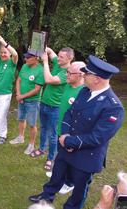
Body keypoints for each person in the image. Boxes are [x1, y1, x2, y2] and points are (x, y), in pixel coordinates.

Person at [29, 55, 125, 209]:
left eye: (86, 74)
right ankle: (47, 196)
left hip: (86, 156)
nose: (83, 76)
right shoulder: (85, 92)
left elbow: (97, 138)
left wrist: (68, 141)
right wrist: (65, 136)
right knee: (57, 174)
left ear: (97, 79)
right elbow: (68, 113)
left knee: (79, 188)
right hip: (67, 145)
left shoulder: (113, 107)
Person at [30, 47, 73, 171]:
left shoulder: (67, 73)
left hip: (55, 107)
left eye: (61, 57)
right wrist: (38, 48)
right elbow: (48, 50)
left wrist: (45, 62)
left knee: (53, 134)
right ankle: (42, 149)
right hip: (44, 103)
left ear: (70, 59)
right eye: (58, 56)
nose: (58, 58)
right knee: (43, 129)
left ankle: (51, 158)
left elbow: (48, 80)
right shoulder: (58, 63)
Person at [46, 61, 86, 194]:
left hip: (71, 133)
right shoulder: (69, 85)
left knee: (70, 158)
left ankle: (69, 183)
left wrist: (70, 135)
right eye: (67, 72)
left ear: (81, 75)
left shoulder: (83, 92)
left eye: (69, 73)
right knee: (61, 156)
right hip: (62, 128)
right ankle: (58, 176)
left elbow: (82, 118)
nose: (66, 75)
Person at [9, 51, 44, 155]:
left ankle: (31, 144)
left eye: (28, 58)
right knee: (21, 118)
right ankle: (21, 137)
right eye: (26, 57)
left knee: (32, 124)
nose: (25, 59)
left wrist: (22, 96)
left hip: (32, 101)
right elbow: (18, 80)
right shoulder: (24, 67)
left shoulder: (41, 71)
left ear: (36, 58)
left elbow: (37, 89)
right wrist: (18, 94)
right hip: (21, 99)